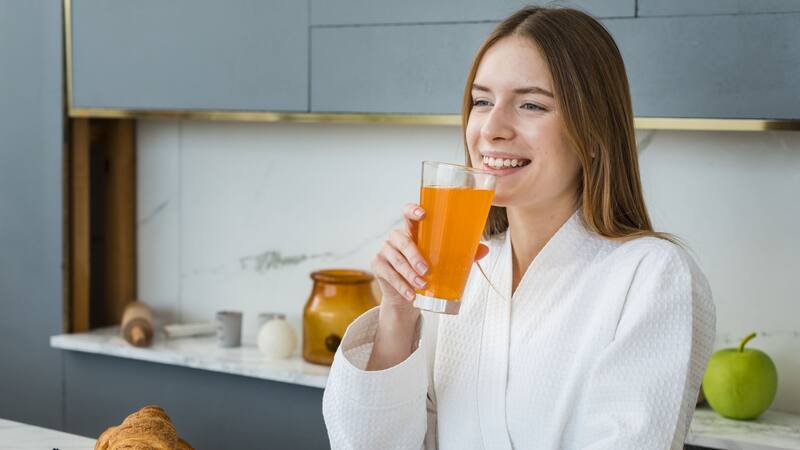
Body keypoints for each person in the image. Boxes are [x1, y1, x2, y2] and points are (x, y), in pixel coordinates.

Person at [322, 5, 716, 450]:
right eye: (482, 101)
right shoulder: (458, 273)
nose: (492, 128)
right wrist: (398, 316)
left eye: (531, 104)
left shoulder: (653, 277)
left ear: (592, 130)